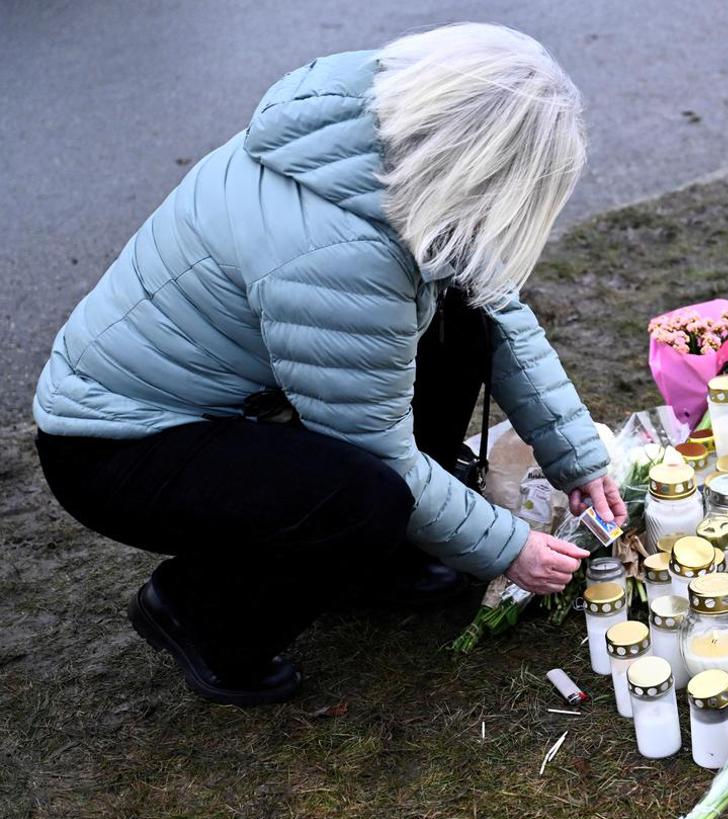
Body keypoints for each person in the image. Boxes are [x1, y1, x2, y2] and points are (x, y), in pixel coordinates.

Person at [32, 24, 626, 707]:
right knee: (361, 500)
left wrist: (578, 458)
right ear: (478, 165)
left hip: (223, 404)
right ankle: (199, 612)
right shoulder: (338, 249)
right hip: (116, 447)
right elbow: (375, 455)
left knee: (466, 314)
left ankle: (381, 562)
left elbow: (496, 306)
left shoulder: (374, 143)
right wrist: (507, 548)